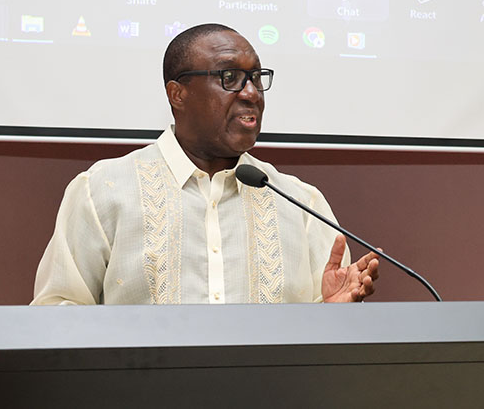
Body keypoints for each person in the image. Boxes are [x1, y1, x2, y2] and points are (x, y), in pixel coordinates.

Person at [31, 23, 379, 306]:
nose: (251, 93)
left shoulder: (302, 203)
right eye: (230, 77)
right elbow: (58, 312)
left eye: (256, 77)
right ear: (177, 94)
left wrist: (333, 315)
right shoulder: (102, 191)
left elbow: (324, 352)